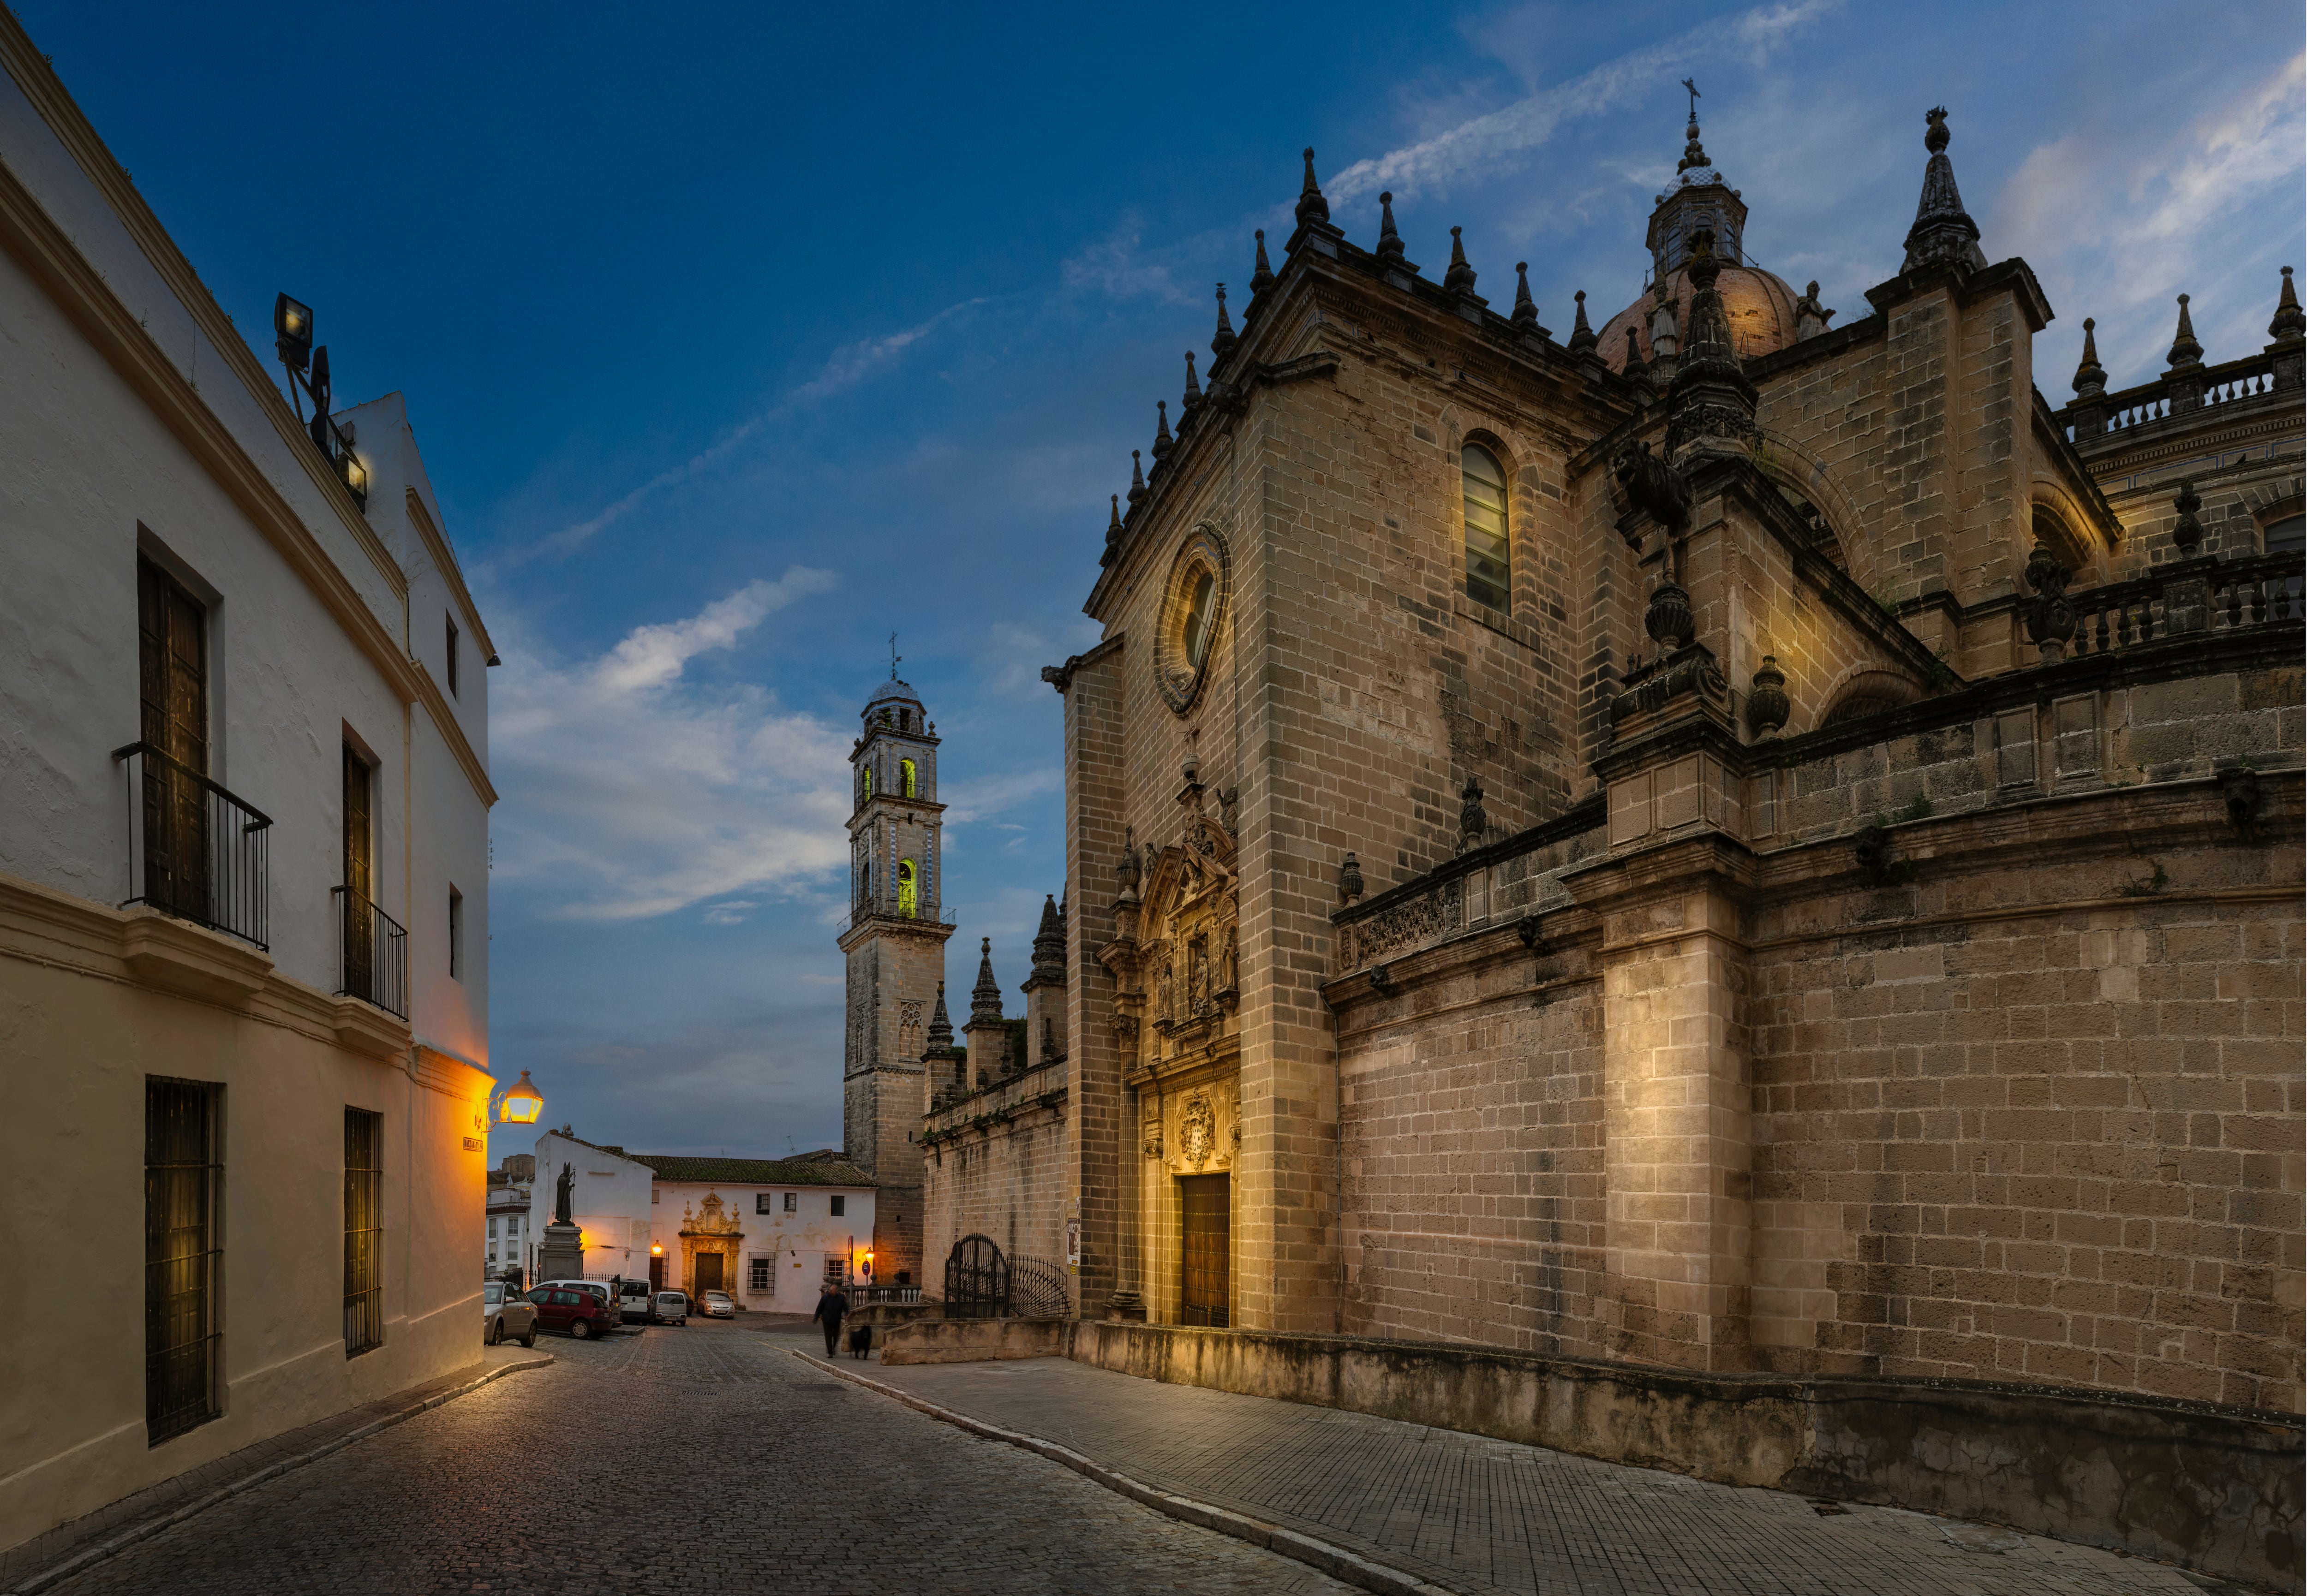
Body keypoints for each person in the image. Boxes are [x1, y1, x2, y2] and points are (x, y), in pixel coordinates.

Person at [813, 1282, 849, 1357]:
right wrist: (816, 1317)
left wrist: (846, 1314)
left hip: (836, 1320)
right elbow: (820, 1308)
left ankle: (834, 1347)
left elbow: (845, 1307)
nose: (831, 1292)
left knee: (836, 1336)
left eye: (833, 1291)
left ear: (836, 1291)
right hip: (827, 1320)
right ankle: (830, 1352)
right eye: (831, 1290)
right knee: (828, 1337)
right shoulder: (825, 1297)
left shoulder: (841, 1298)